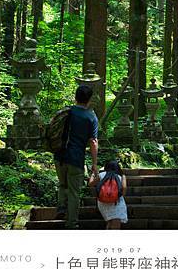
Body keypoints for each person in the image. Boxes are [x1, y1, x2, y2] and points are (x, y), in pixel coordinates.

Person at [54, 85, 99, 229]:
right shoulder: (91, 117)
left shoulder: (67, 112)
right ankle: (71, 223)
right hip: (76, 158)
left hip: (59, 155)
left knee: (62, 184)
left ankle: (61, 207)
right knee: (74, 192)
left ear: (75, 97)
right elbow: (93, 141)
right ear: (89, 99)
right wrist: (94, 163)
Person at [88, 160, 128, 230]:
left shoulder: (101, 175)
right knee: (116, 223)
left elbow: (90, 184)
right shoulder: (121, 176)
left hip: (102, 201)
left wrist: (93, 175)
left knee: (110, 222)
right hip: (116, 202)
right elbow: (124, 187)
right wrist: (121, 197)